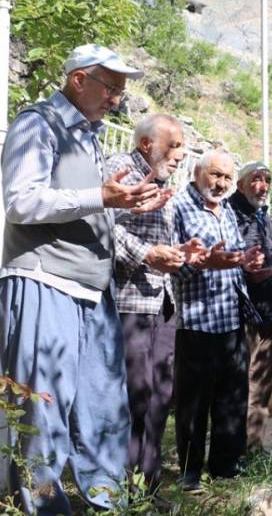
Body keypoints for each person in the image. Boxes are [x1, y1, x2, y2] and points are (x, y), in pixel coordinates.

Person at [0, 44, 169, 513]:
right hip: (42, 282)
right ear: (78, 79)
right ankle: (46, 508)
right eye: (111, 88)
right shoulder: (37, 123)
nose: (116, 100)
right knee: (42, 418)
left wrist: (125, 205)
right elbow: (21, 202)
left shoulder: (89, 137)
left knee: (104, 414)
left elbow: (90, 206)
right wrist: (100, 197)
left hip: (92, 292)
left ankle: (108, 506)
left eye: (120, 92)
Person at [170, 150, 266, 490]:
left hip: (230, 320)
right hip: (196, 322)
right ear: (197, 172)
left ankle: (226, 467)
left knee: (232, 399)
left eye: (227, 177)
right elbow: (172, 266)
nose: (221, 183)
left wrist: (246, 263)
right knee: (193, 403)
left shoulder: (225, 209)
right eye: (215, 175)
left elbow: (233, 257)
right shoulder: (178, 206)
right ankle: (189, 472)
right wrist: (205, 262)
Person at [106, 113, 191, 490]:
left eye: (181, 148)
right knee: (134, 394)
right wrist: (146, 255)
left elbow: (162, 244)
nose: (178, 156)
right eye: (172, 147)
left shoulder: (164, 182)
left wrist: (182, 255)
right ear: (146, 144)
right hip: (129, 301)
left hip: (163, 301)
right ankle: (121, 488)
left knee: (160, 396)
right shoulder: (120, 168)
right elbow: (105, 227)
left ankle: (149, 485)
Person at [230, 161, 272, 452]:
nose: (263, 185)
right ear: (241, 184)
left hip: (267, 313)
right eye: (256, 179)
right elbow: (227, 259)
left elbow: (268, 265)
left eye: (267, 179)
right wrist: (247, 270)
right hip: (244, 314)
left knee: (261, 385)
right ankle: (238, 452)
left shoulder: (264, 218)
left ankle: (254, 450)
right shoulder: (231, 214)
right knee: (243, 387)